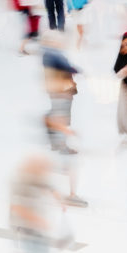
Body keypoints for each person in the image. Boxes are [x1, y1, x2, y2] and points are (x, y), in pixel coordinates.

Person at [42, 32, 86, 206]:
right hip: (60, 93)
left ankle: (61, 145)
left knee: (61, 118)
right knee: (60, 119)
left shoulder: (50, 55)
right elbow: (68, 67)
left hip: (60, 93)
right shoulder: (52, 54)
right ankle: (69, 193)